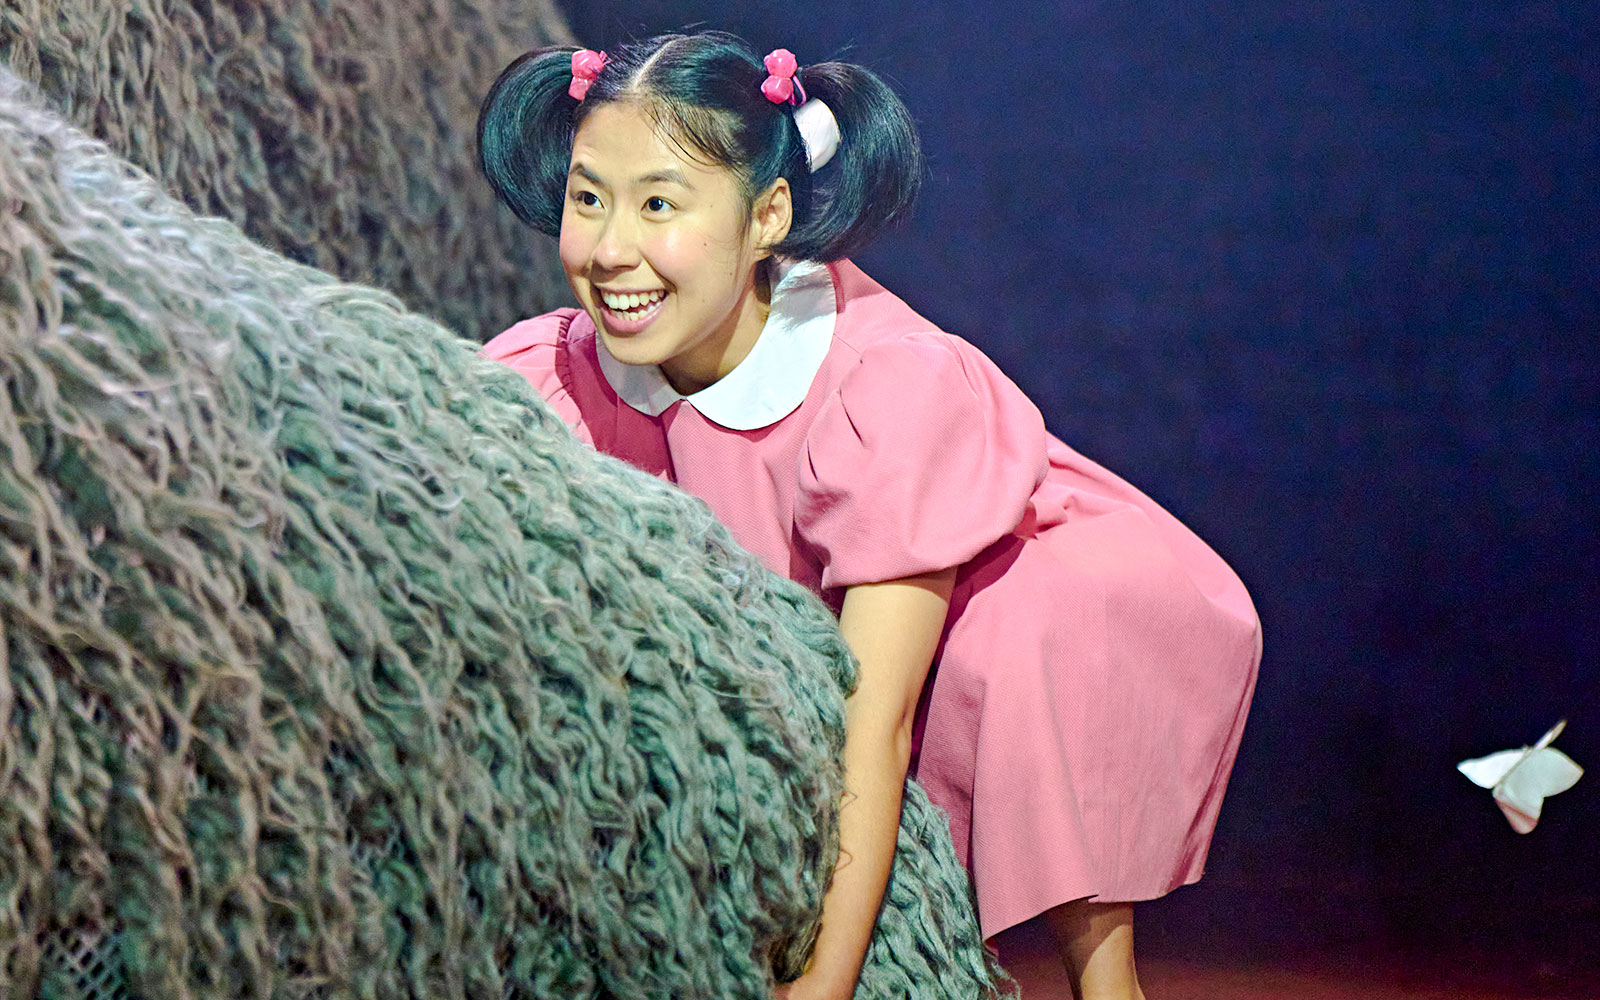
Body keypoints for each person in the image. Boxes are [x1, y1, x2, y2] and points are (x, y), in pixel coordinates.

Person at [476, 31, 1261, 1000]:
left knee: (1004, 653)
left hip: (1021, 581)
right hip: (806, 636)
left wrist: (823, 986)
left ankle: (1106, 986)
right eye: (588, 198)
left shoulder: (881, 392)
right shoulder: (543, 378)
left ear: (766, 216)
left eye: (659, 204)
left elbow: (871, 719)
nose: (609, 249)